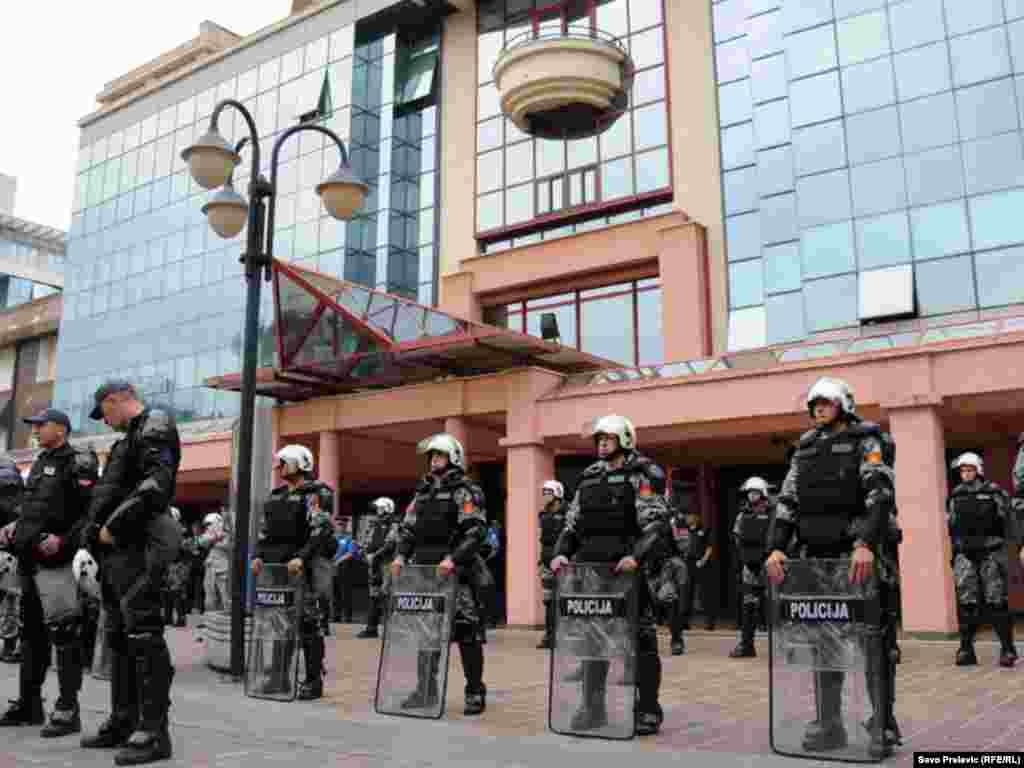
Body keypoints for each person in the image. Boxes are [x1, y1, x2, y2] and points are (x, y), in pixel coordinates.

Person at [765, 377, 901, 759]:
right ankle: (829, 724)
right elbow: (787, 503)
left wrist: (866, 544)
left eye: (826, 403)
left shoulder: (866, 441)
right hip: (816, 561)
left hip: (856, 556)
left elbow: (879, 493)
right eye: (815, 405)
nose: (819, 409)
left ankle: (882, 724)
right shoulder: (805, 449)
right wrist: (776, 548)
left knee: (873, 643)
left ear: (843, 405)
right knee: (823, 643)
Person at [78, 380, 182, 766]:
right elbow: (109, 493)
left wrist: (113, 526)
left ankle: (154, 732)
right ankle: (124, 721)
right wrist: (92, 538)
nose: (104, 421)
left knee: (143, 636)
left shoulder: (155, 424)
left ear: (115, 400)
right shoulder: (129, 439)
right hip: (116, 551)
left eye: (103, 412)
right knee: (120, 638)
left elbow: (156, 485)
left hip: (138, 546)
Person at [550, 414, 670, 736]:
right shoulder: (589, 477)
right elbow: (572, 523)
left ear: (625, 439)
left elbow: (656, 522)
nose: (602, 443)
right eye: (599, 438)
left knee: (641, 639)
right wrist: (561, 553)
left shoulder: (641, 474)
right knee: (593, 641)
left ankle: (648, 709)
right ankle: (593, 709)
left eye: (609, 438)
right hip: (592, 571)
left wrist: (636, 556)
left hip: (627, 570)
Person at [0, 410, 94, 737]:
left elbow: (90, 512)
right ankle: (30, 704)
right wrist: (16, 526)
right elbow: (35, 508)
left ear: (61, 428)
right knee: (31, 636)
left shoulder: (78, 461)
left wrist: (65, 541)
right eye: (35, 425)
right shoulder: (41, 461)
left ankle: (68, 709)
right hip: (29, 559)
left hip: (56, 562)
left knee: (64, 633)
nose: (36, 430)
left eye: (41, 425)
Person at [390, 433, 489, 716]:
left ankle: (474, 691)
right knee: (426, 634)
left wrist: (453, 559)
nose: (434, 460)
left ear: (453, 458)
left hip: (455, 572)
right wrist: (400, 555)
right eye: (432, 455)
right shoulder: (422, 493)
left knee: (467, 632)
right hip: (425, 573)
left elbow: (475, 530)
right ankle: (425, 690)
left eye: (440, 455)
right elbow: (408, 529)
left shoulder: (464, 490)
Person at [251, 444, 336, 701]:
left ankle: (313, 681)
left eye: (284, 462)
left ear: (300, 463)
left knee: (308, 623)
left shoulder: (317, 492)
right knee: (279, 623)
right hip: (277, 570)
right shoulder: (276, 496)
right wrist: (257, 555)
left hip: (304, 568)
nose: (280, 467)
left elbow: (320, 530)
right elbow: (265, 532)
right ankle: (278, 678)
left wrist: (302, 557)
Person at [946, 452, 1020, 667]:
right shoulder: (956, 495)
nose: (965, 473)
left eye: (969, 469)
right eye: (962, 470)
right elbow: (952, 527)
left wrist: (1015, 547)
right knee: (967, 603)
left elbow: (1010, 521)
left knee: (996, 602)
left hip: (991, 553)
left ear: (978, 470)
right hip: (965, 555)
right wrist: (955, 554)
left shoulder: (995, 493)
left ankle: (1007, 649)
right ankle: (966, 649)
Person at [730, 477, 772, 659]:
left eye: (755, 492)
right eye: (749, 493)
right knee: (748, 607)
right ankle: (747, 646)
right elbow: (737, 538)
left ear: (763, 493)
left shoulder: (774, 513)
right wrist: (747, 558)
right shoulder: (742, 515)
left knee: (777, 607)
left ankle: (785, 646)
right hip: (750, 569)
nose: (752, 496)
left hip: (771, 568)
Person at [357, 497, 398, 639]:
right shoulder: (375, 524)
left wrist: (374, 555)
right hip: (374, 564)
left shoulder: (394, 524)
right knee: (374, 596)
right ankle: (371, 628)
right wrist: (364, 552)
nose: (377, 511)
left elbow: (390, 544)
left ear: (387, 509)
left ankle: (391, 629)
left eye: (379, 508)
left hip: (387, 564)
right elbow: (368, 542)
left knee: (387, 595)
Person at [537, 480, 567, 649]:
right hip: (547, 562)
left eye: (549, 492)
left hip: (563, 562)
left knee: (564, 599)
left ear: (557, 493)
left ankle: (565, 636)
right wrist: (541, 560)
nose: (545, 496)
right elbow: (543, 540)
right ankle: (549, 636)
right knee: (548, 601)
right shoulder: (543, 514)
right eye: (544, 493)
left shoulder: (567, 512)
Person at [0, 455, 23, 663]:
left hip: (4, 553)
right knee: (12, 601)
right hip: (14, 555)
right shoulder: (20, 496)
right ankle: (9, 647)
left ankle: (8, 646)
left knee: (10, 601)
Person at [680, 510, 714, 631]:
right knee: (687, 592)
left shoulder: (704, 529)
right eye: (686, 516)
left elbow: (710, 547)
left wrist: (703, 560)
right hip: (687, 563)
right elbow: (680, 545)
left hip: (701, 563)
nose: (687, 518)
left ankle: (709, 622)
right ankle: (684, 622)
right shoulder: (684, 530)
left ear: (696, 517)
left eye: (689, 516)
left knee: (705, 593)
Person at [162, 508, 189, 628]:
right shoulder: (166, 530)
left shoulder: (181, 531)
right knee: (166, 592)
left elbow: (185, 547)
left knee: (178, 593)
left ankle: (181, 618)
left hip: (179, 565)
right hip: (168, 564)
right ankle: (167, 617)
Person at [332, 517, 359, 624]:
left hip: (344, 569)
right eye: (339, 524)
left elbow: (351, 553)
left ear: (346, 526)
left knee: (345, 593)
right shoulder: (332, 538)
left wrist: (338, 561)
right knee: (335, 593)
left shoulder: (349, 538)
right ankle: (336, 615)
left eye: (342, 524)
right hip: (332, 568)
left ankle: (347, 616)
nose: (340, 526)